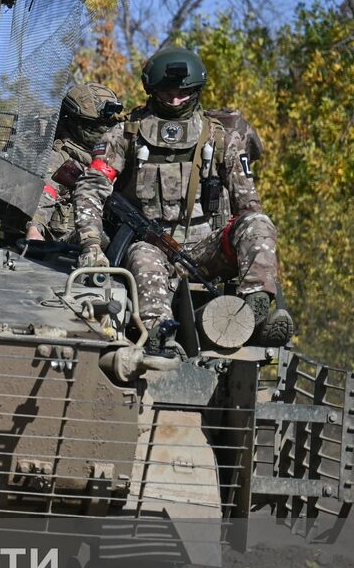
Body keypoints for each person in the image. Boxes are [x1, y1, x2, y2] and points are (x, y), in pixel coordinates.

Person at [73, 45, 292, 352]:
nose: (175, 100)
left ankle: (251, 314)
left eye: (183, 93)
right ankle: (160, 337)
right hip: (150, 244)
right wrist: (91, 244)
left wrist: (247, 245)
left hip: (205, 248)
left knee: (258, 223)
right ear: (153, 90)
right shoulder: (126, 134)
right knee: (143, 259)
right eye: (167, 93)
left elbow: (248, 207)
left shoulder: (220, 138)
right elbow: (92, 185)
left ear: (196, 91)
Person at [25, 83, 123, 242]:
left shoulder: (113, 155)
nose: (104, 130)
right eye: (96, 125)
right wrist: (35, 229)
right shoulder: (60, 157)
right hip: (67, 242)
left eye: (109, 125)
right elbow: (45, 193)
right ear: (77, 121)